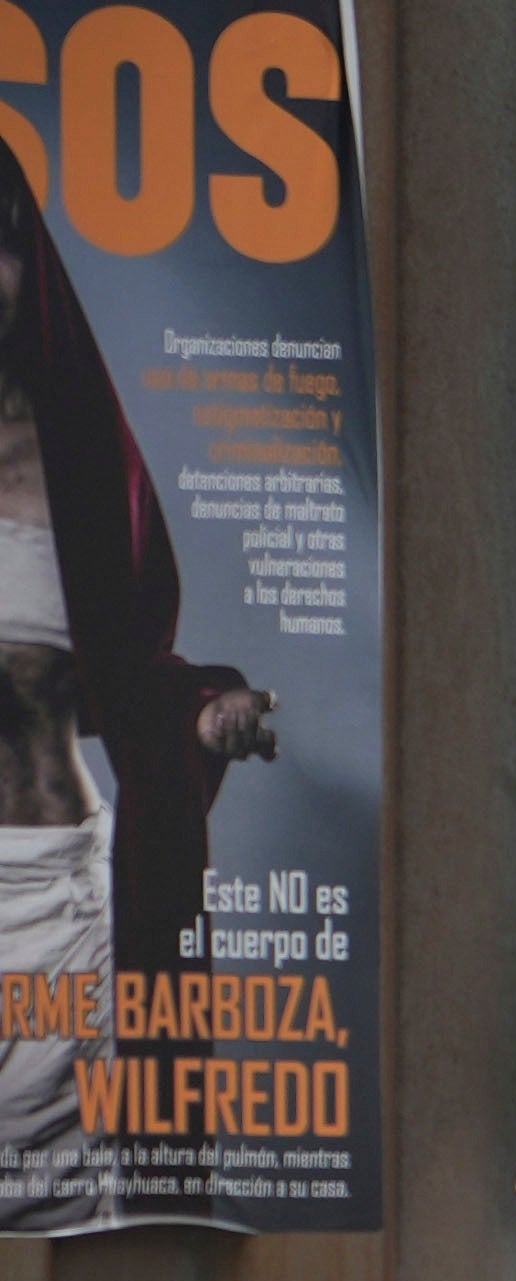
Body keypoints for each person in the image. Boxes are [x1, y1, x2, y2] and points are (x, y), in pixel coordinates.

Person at [0, 137, 277, 1222]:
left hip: (66, 906)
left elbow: (129, 673)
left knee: (96, 1231)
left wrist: (208, 715)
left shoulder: (70, 449)